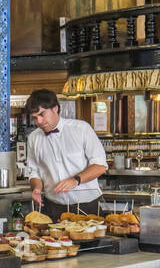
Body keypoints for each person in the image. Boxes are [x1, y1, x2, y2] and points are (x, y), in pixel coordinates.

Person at [23, 89, 107, 218]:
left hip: (86, 206)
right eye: (35, 117)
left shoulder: (81, 129)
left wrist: (76, 180)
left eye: (42, 114)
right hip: (53, 207)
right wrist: (37, 189)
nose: (38, 121)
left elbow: (100, 166)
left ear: (55, 108)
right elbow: (34, 172)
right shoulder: (34, 137)